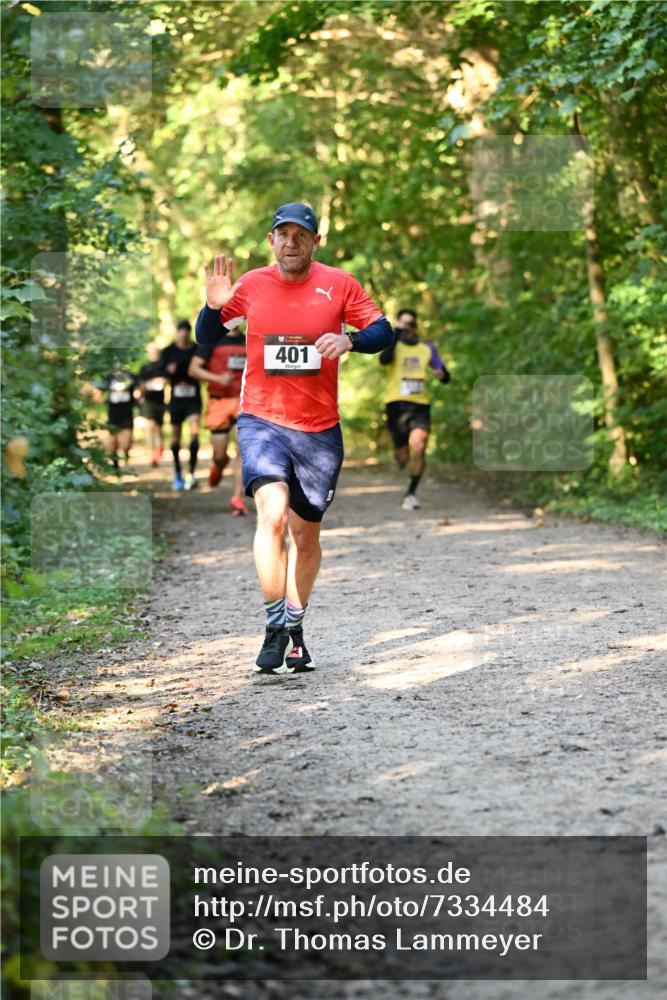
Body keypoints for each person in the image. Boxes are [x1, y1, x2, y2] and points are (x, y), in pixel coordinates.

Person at [195, 201, 392, 674]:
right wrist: (213, 306)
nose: (290, 242)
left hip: (319, 429)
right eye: (282, 234)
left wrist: (351, 340)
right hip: (262, 419)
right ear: (271, 240)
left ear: (314, 242)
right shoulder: (251, 285)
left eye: (300, 235)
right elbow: (206, 336)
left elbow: (381, 331)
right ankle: (272, 626)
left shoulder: (339, 284)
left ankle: (296, 626)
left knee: (306, 535)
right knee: (273, 515)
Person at [380, 308, 450, 510]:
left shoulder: (427, 348)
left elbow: (445, 375)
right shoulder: (394, 345)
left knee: (419, 447)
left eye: (410, 324)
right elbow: (383, 360)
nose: (406, 328)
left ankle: (410, 493)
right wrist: (395, 335)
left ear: (415, 326)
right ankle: (401, 458)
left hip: (420, 404)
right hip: (396, 404)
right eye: (402, 324)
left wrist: (441, 374)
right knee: (402, 453)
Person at [187, 318, 250, 515]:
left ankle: (237, 498)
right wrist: (217, 379)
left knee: (242, 450)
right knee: (220, 454)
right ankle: (218, 465)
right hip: (218, 402)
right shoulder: (212, 340)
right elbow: (193, 369)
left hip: (243, 402)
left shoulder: (249, 340)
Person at [160, 320, 201, 491]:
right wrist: (167, 372)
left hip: (193, 397)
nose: (183, 333)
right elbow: (159, 372)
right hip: (176, 399)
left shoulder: (197, 349)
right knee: (175, 436)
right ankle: (177, 473)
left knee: (194, 431)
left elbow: (205, 367)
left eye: (186, 331)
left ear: (189, 332)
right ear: (177, 332)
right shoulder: (168, 351)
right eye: (180, 330)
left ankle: (191, 473)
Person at [137, 342, 166, 467]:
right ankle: (152, 454)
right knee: (150, 426)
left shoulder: (163, 366)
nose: (153, 353)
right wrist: (140, 395)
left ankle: (159, 446)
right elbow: (140, 385)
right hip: (148, 401)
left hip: (160, 401)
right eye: (151, 351)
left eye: (155, 350)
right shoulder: (144, 368)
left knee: (158, 428)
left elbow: (166, 381)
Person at [103, 368, 138, 473]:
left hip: (127, 413)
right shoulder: (109, 377)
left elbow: (139, 389)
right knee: (113, 441)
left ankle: (126, 456)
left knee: (126, 443)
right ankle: (115, 466)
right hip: (113, 414)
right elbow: (99, 392)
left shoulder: (131, 376)